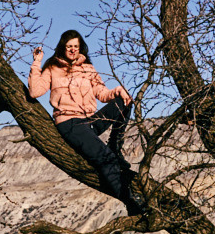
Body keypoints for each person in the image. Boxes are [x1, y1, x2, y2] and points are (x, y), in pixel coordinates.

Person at [28, 30, 145, 214]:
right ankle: (130, 202)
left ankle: (115, 144)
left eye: (75, 46)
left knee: (124, 100)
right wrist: (37, 62)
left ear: (80, 47)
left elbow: (102, 93)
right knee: (106, 159)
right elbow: (35, 91)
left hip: (90, 121)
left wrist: (118, 90)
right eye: (69, 47)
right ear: (63, 47)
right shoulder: (52, 67)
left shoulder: (88, 68)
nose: (73, 50)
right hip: (70, 123)